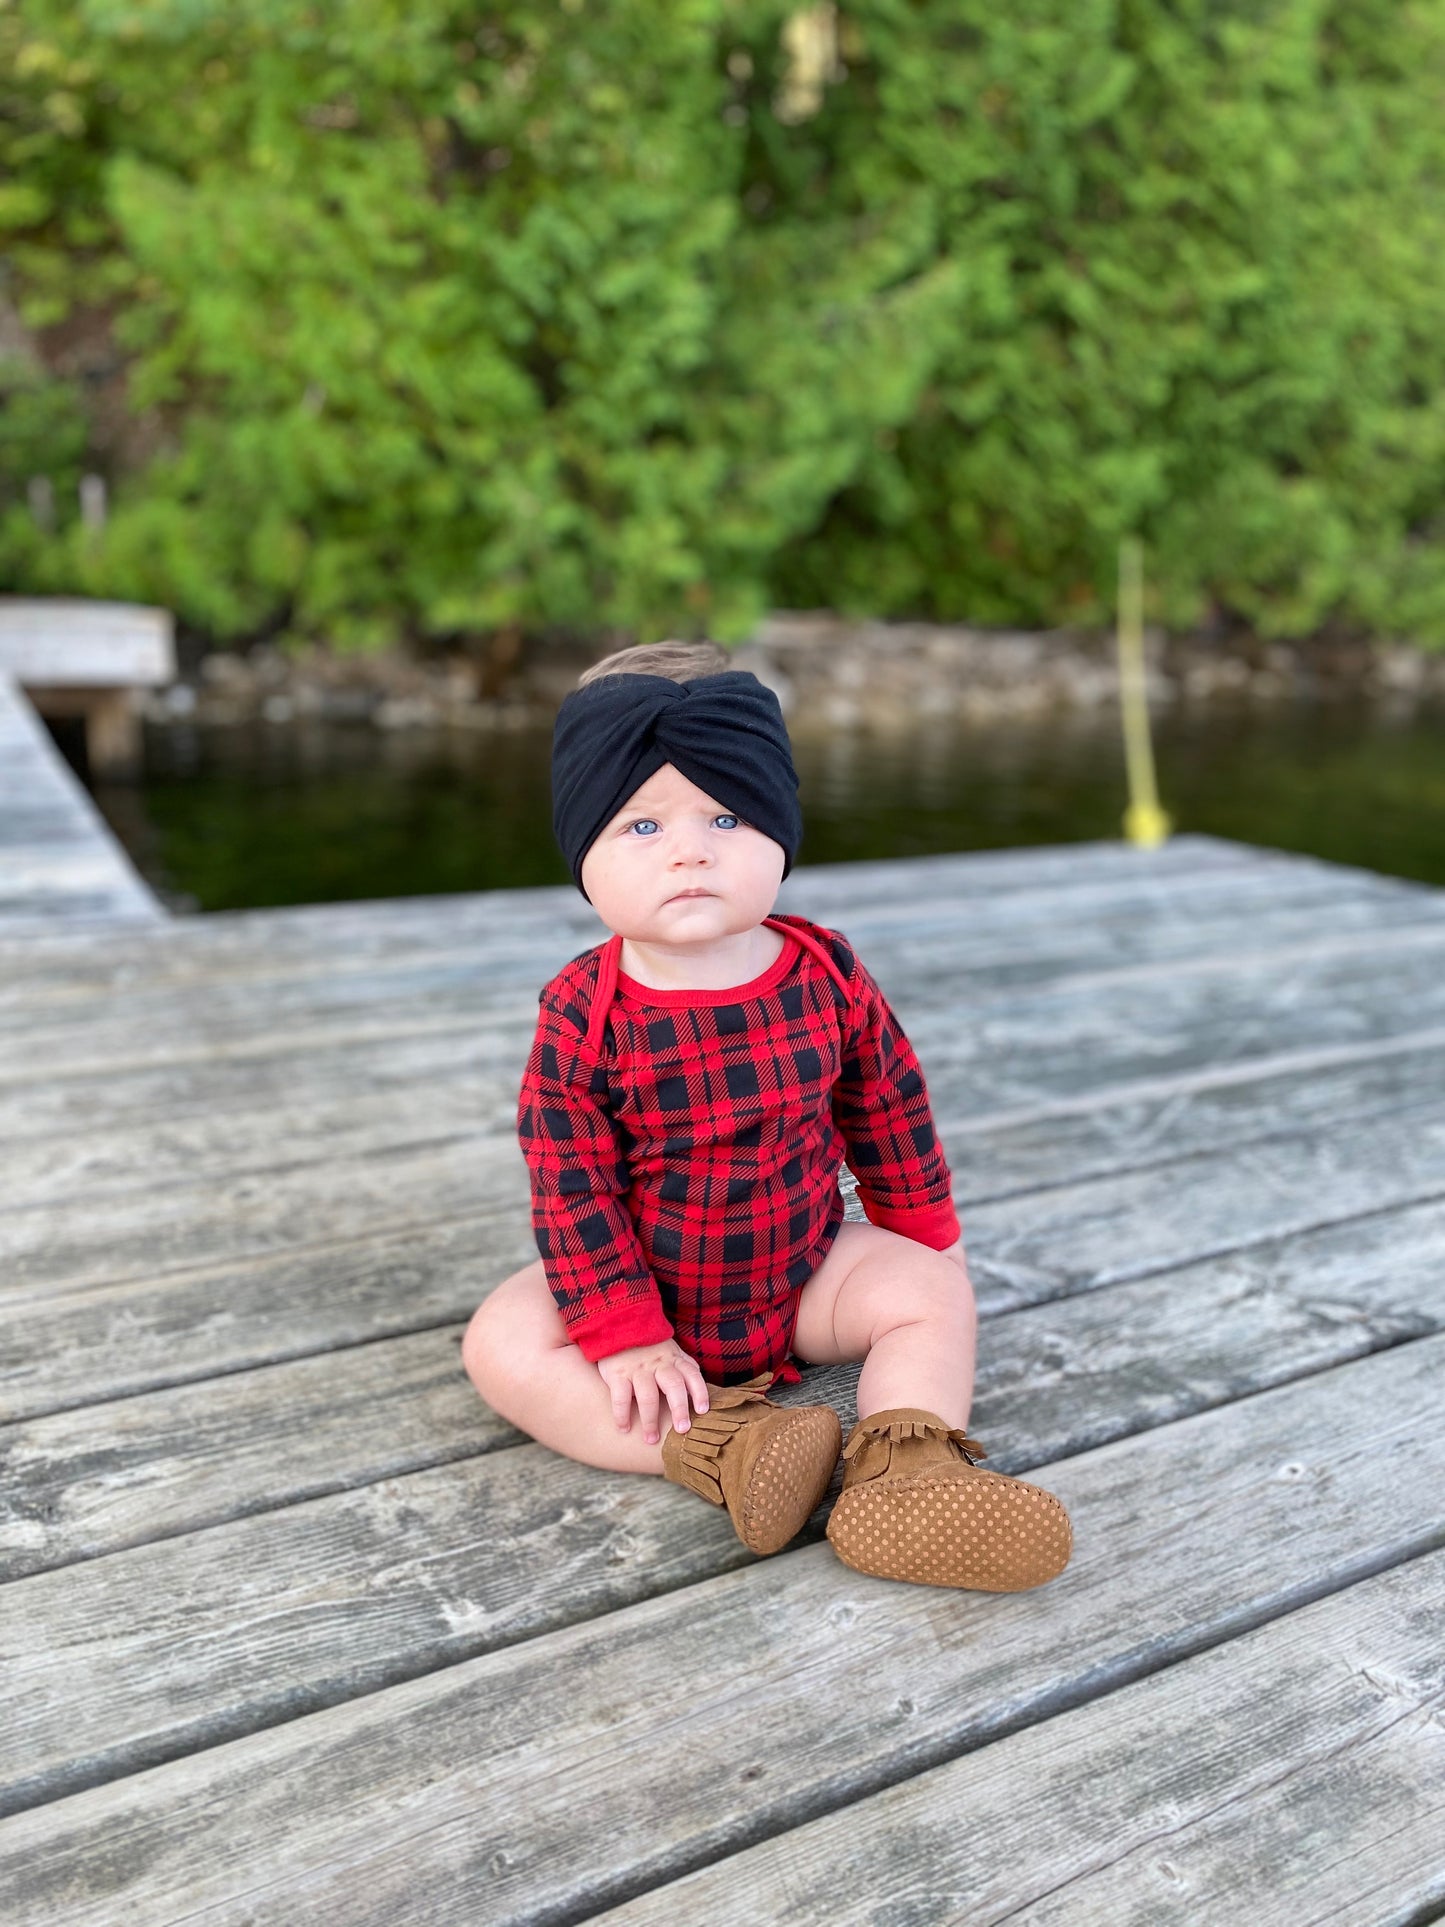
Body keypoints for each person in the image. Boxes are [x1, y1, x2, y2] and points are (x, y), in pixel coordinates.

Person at [462, 641, 1072, 1590]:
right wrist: (623, 1327)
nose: (691, 847)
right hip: (648, 1288)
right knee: (502, 1341)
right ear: (582, 850)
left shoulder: (823, 970)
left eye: (726, 813)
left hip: (804, 1271)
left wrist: (921, 1236)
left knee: (935, 1291)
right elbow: (568, 1183)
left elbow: (889, 1102)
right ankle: (730, 1449)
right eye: (640, 826)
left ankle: (904, 1472)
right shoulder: (583, 1016)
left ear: (781, 827)